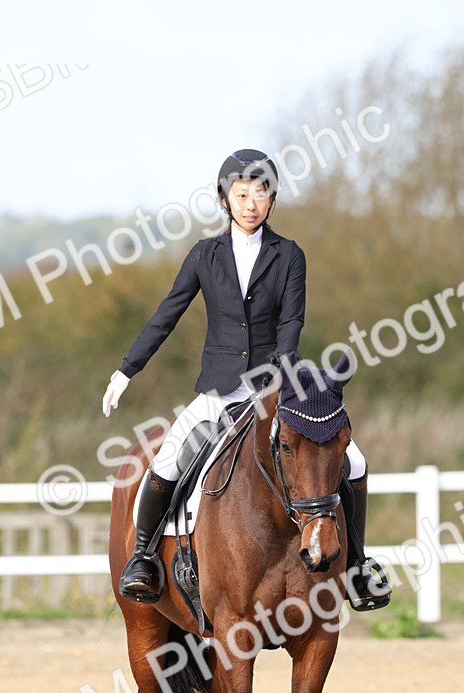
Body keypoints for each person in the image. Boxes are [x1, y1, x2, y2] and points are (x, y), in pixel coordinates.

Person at [102, 148, 389, 610]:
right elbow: (167, 315)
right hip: (218, 390)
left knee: (353, 462)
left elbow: (291, 321)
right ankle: (143, 559)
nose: (250, 203)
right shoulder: (204, 255)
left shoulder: (289, 255)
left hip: (274, 390)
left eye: (260, 194)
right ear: (224, 199)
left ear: (272, 200)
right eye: (241, 194)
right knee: (167, 462)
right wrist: (126, 368)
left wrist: (278, 370)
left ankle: (356, 567)